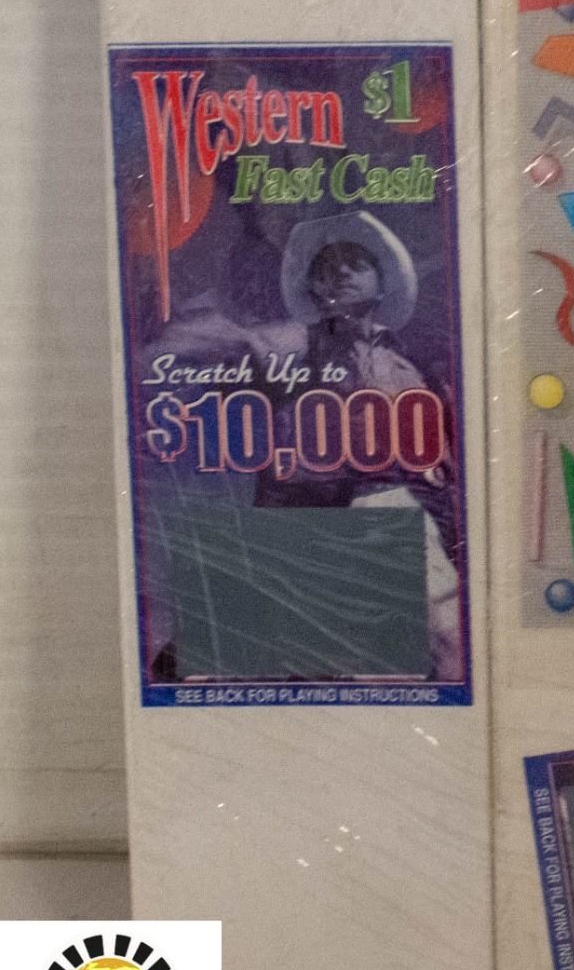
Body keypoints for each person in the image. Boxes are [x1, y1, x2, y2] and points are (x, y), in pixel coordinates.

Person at [149, 211, 462, 681]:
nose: (340, 273)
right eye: (326, 268)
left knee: (442, 647)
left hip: (404, 519)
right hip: (321, 520)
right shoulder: (296, 344)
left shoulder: (408, 364)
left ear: (382, 282)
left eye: (356, 263)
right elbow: (220, 346)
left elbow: (440, 457)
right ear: (314, 289)